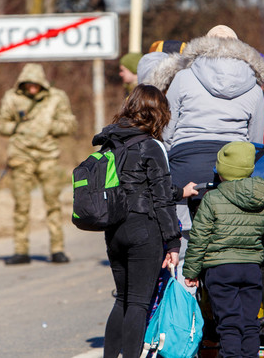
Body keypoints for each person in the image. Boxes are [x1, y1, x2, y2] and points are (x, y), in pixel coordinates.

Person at [149, 24, 264, 292]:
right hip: (231, 170)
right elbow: (256, 140)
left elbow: (167, 129)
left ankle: (184, 318)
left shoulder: (184, 76)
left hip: (186, 165)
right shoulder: (253, 85)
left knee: (183, 243)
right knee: (225, 245)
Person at [95, 85, 183, 358]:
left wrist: (181, 190)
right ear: (159, 113)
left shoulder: (111, 141)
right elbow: (160, 199)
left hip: (114, 230)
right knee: (138, 303)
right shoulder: (152, 145)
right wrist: (173, 243)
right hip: (144, 230)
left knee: (121, 299)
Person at [182, 141, 264, 358]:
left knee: (228, 324)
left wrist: (191, 271)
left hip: (220, 270)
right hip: (251, 268)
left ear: (222, 171)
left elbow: (199, 238)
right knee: (250, 322)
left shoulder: (212, 198)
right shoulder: (262, 195)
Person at [0, 63, 77, 265]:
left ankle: (57, 249)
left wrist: (48, 126)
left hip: (48, 156)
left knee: (53, 203)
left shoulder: (56, 97)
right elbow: (0, 124)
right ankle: (21, 250)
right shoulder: (12, 97)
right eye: (28, 85)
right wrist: (19, 127)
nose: (32, 89)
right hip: (21, 156)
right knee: (21, 205)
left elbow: (70, 123)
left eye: (36, 85)